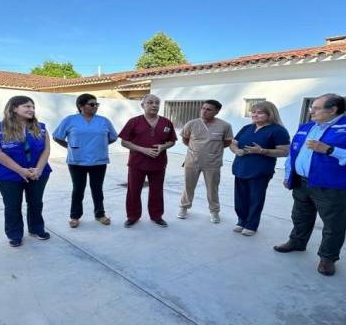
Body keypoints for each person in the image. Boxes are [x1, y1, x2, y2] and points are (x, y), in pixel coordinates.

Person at [274, 93, 346, 276]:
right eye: (312, 107)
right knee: (300, 215)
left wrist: (330, 150)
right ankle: (297, 241)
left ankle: (328, 258)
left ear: (333, 109)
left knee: (333, 224)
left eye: (317, 108)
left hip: (332, 185)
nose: (311, 111)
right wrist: (289, 174)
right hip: (302, 182)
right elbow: (293, 153)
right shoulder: (307, 127)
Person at [0, 96, 52, 247]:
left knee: (36, 203)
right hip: (8, 175)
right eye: (27, 106)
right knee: (12, 206)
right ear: (14, 108)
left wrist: (39, 169)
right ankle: (14, 234)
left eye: (33, 107)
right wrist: (21, 171)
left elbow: (46, 149)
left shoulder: (41, 127)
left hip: (38, 172)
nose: (31, 110)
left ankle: (36, 229)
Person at [53, 93, 118, 228]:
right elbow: (57, 136)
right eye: (91, 104)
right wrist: (69, 146)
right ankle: (75, 216)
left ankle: (100, 214)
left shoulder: (104, 121)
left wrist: (98, 146)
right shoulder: (70, 120)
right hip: (77, 161)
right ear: (81, 106)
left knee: (97, 189)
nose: (95, 107)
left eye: (97, 104)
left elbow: (112, 137)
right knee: (78, 189)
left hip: (99, 161)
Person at [229, 101, 290, 236]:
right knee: (240, 198)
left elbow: (284, 151)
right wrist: (236, 151)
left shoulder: (278, 130)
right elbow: (233, 143)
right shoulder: (246, 128)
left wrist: (262, 151)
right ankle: (241, 221)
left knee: (255, 198)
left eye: (259, 112)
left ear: (270, 114)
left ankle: (251, 225)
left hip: (260, 170)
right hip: (241, 168)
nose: (255, 115)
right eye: (253, 112)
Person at [119, 94, 177, 228]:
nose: (154, 105)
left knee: (157, 190)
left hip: (158, 163)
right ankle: (133, 216)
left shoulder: (166, 122)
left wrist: (163, 146)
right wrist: (143, 150)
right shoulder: (134, 122)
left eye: (157, 103)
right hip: (137, 163)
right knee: (133, 190)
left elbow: (172, 141)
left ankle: (157, 216)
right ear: (142, 105)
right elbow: (124, 142)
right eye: (150, 102)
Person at [176, 100, 234, 223]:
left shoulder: (225, 126)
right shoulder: (192, 124)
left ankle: (214, 211)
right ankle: (184, 207)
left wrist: (212, 151)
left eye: (209, 109)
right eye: (203, 108)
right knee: (188, 186)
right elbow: (185, 140)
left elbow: (227, 142)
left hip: (212, 163)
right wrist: (197, 151)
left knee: (212, 188)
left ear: (217, 111)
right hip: (192, 161)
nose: (204, 111)